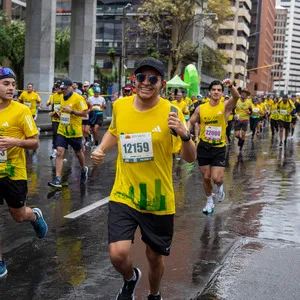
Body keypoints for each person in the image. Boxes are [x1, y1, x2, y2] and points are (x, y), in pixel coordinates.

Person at [91, 57, 196, 300]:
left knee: (154, 256)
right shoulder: (120, 106)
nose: (146, 83)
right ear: (134, 80)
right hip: (124, 192)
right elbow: (115, 131)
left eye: (153, 79)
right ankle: (130, 278)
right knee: (117, 254)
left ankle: (154, 294)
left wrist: (185, 134)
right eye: (141, 78)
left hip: (157, 198)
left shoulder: (172, 112)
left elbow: (189, 158)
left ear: (162, 83)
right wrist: (101, 149)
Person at [0, 68, 48, 278]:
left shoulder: (21, 111)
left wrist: (14, 142)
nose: (11, 88)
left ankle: (33, 215)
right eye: (6, 84)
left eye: (13, 84)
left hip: (13, 173)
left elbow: (35, 141)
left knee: (18, 215)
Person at [188, 79, 239, 214]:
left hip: (219, 147)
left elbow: (236, 97)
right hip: (204, 146)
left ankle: (220, 186)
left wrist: (231, 86)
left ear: (222, 93)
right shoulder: (201, 108)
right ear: (209, 92)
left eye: (219, 90)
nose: (216, 92)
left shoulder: (225, 106)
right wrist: (186, 133)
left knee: (217, 178)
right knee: (206, 177)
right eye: (214, 89)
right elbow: (191, 121)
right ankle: (209, 201)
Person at [48, 78, 89, 188]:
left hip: (74, 132)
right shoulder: (60, 97)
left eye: (65, 88)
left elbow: (85, 113)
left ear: (71, 87)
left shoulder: (78, 98)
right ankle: (57, 179)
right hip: (62, 130)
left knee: (78, 152)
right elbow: (61, 111)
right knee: (59, 152)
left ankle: (83, 168)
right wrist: (56, 114)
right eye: (62, 88)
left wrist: (72, 111)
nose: (64, 90)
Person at [46, 84, 64, 159]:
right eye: (56, 88)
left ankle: (61, 149)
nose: (57, 89)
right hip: (55, 118)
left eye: (58, 88)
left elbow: (64, 107)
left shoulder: (63, 96)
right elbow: (47, 104)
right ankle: (55, 149)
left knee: (62, 134)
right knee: (55, 133)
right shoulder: (53, 96)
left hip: (62, 118)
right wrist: (49, 103)